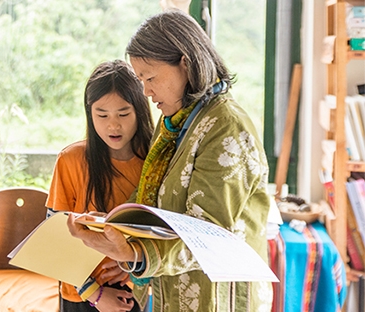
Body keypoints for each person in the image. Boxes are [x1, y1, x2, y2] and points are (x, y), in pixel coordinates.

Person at [68, 9, 273, 312]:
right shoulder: (174, 123)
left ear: (186, 64)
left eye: (150, 78)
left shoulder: (225, 126)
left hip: (216, 298)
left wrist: (136, 253)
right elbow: (153, 203)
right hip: (174, 293)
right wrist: (110, 226)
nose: (146, 92)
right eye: (141, 80)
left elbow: (209, 234)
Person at [46, 59, 154, 311]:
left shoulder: (154, 162)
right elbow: (52, 242)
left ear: (140, 109)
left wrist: (132, 267)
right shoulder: (71, 160)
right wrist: (94, 293)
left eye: (123, 114)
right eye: (102, 114)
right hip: (82, 295)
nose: (112, 125)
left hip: (134, 293)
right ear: (89, 112)